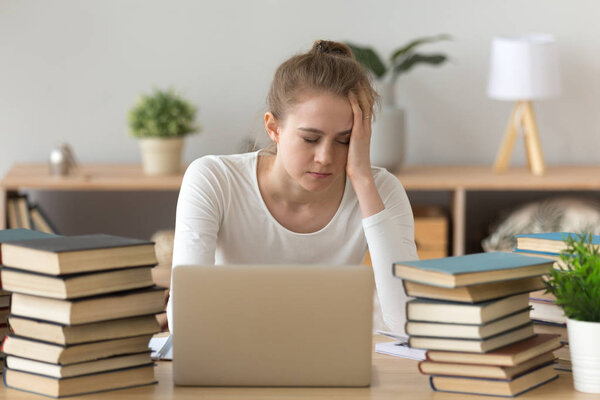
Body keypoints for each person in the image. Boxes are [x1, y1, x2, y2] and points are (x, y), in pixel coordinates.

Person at [167, 40, 418, 335]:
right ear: (273, 128)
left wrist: (363, 179)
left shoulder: (382, 190)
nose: (325, 158)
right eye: (310, 139)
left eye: (344, 140)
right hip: (233, 361)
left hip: (329, 362)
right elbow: (184, 320)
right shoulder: (214, 180)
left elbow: (406, 323)